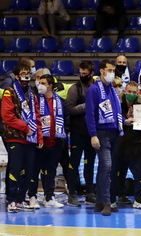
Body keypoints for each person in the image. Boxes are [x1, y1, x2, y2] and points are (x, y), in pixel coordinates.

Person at [1, 63, 43, 213]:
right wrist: (25, 127)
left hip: (30, 139)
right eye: (23, 73)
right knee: (15, 168)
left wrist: (39, 136)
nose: (26, 76)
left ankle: (20, 198)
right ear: (17, 75)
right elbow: (7, 116)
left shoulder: (32, 94)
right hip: (15, 137)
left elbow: (37, 116)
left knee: (28, 170)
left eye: (28, 73)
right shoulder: (9, 92)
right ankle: (11, 199)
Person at [85, 59, 124, 216]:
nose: (112, 73)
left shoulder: (113, 90)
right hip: (101, 134)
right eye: (110, 70)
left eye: (114, 70)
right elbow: (90, 114)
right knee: (106, 166)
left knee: (105, 168)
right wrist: (93, 135)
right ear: (101, 71)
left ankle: (100, 201)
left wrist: (124, 122)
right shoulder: (94, 90)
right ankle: (107, 202)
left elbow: (115, 113)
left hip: (114, 133)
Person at [110, 81, 141, 209]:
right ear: (124, 91)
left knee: (138, 174)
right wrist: (124, 121)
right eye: (129, 91)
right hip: (119, 144)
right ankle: (112, 200)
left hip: (136, 145)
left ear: (138, 93)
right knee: (115, 173)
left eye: (134, 92)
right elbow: (112, 120)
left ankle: (138, 200)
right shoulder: (117, 105)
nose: (131, 94)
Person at [33, 74, 68, 208]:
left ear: (50, 86)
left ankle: (49, 197)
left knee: (51, 171)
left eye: (43, 83)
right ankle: (32, 196)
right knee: (34, 170)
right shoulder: (35, 100)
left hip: (55, 142)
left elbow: (66, 119)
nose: (40, 85)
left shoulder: (59, 101)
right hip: (39, 142)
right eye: (39, 82)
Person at [65, 61, 96, 206]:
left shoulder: (96, 87)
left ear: (91, 73)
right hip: (78, 132)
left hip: (92, 132)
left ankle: (90, 192)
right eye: (81, 73)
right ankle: (72, 193)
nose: (83, 75)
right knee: (74, 163)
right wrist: (87, 106)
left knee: (89, 163)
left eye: (85, 73)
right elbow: (69, 109)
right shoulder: (74, 89)